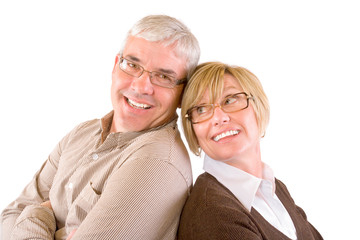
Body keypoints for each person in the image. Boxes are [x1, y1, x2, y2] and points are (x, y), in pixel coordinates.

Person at [1, 15, 200, 240]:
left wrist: (39, 214)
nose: (141, 86)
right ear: (116, 66)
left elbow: (21, 216)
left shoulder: (157, 162)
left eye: (163, 76)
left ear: (183, 94)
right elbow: (9, 215)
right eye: (133, 65)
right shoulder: (82, 133)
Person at [178, 62, 323, 240]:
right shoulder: (214, 213)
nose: (219, 118)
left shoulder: (273, 187)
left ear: (258, 106)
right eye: (201, 109)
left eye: (229, 100)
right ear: (192, 128)